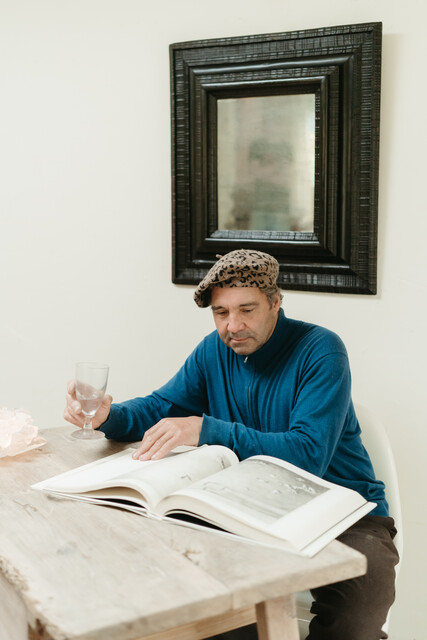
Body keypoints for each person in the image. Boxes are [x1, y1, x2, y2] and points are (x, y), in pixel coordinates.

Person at [64, 249, 399, 640]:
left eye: (247, 309)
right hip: (251, 509)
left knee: (353, 626)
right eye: (221, 313)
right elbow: (161, 407)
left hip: (346, 512)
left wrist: (206, 430)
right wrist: (110, 415)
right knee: (213, 613)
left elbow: (309, 453)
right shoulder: (214, 350)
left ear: (276, 303)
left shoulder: (321, 350)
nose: (233, 326)